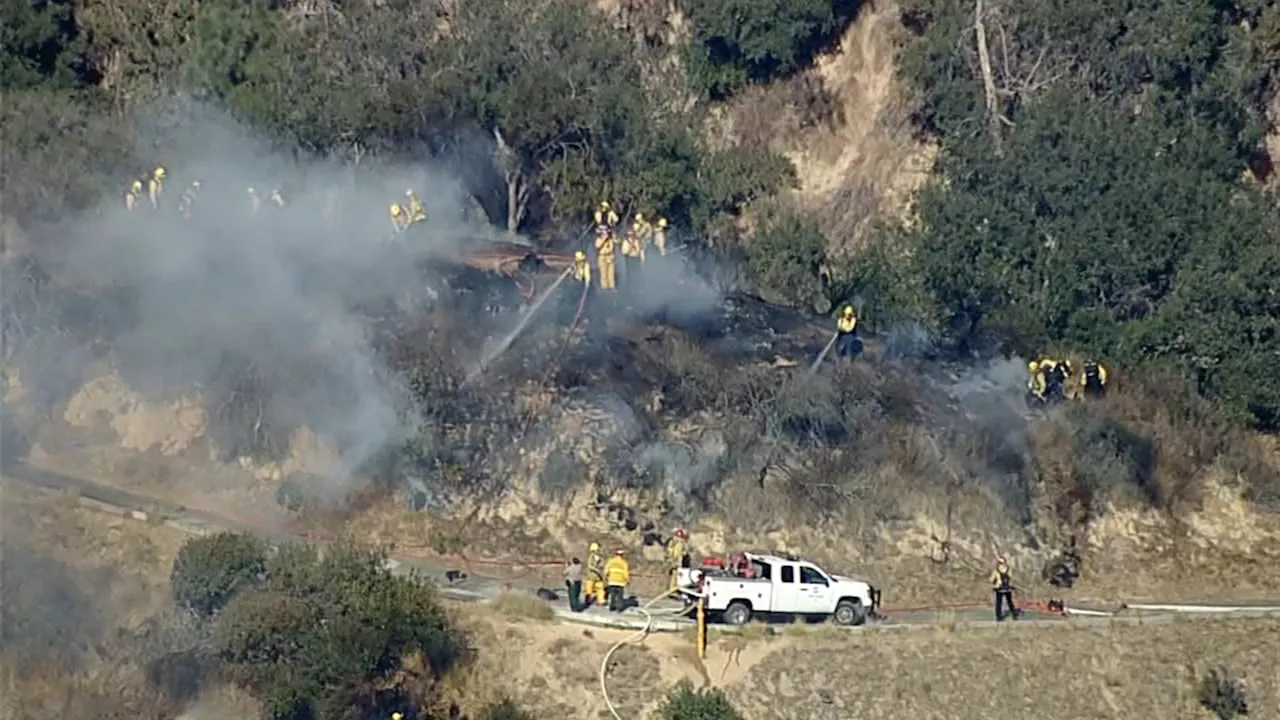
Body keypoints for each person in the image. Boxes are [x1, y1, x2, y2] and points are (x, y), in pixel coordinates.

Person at [990, 555, 1017, 621]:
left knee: (998, 602)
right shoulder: (1009, 569)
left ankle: (998, 616)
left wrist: (995, 582)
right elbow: (1010, 577)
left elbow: (991, 579)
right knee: (1010, 602)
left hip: (999, 588)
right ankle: (1014, 614)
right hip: (1007, 588)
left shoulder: (996, 570)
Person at [665, 528, 689, 593]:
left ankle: (673, 589)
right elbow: (673, 553)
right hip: (675, 562)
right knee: (675, 576)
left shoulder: (678, 543)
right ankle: (672, 590)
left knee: (676, 576)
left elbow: (684, 552)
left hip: (677, 562)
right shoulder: (674, 543)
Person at [585, 542, 606, 607]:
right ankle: (600, 601)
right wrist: (598, 569)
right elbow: (590, 566)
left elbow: (589, 566)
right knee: (598, 589)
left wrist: (599, 568)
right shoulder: (596, 557)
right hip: (596, 576)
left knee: (590, 589)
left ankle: (598, 601)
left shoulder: (592, 557)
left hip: (592, 576)